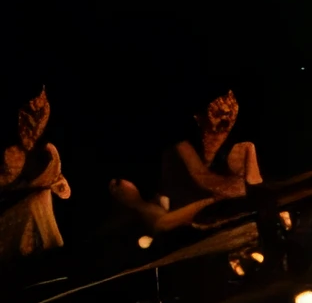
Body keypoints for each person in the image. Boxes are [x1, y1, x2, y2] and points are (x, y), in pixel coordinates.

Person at [108, 89, 262, 235]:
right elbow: (162, 222)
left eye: (228, 107)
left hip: (222, 208)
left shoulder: (239, 149)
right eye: (217, 110)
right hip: (200, 213)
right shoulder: (181, 149)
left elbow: (236, 186)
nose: (225, 114)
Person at [1, 87, 70, 260]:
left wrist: (58, 183)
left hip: (44, 246)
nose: (36, 109)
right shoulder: (11, 157)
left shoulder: (49, 152)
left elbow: (55, 181)